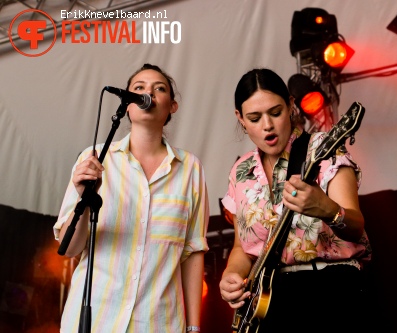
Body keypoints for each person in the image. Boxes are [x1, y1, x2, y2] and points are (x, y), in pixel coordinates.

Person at [54, 64, 209, 333]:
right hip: (95, 320)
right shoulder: (94, 159)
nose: (148, 92)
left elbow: (193, 253)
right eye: (138, 88)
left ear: (172, 106)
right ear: (126, 104)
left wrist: (194, 327)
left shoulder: (189, 168)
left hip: (159, 323)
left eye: (159, 88)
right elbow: (69, 249)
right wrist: (84, 197)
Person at [219, 68, 371, 332]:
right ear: (240, 118)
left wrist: (328, 209)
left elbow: (356, 225)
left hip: (331, 289)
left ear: (291, 105)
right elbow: (242, 247)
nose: (267, 125)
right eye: (254, 118)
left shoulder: (324, 149)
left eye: (275, 112)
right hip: (270, 302)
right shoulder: (240, 172)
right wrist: (231, 275)